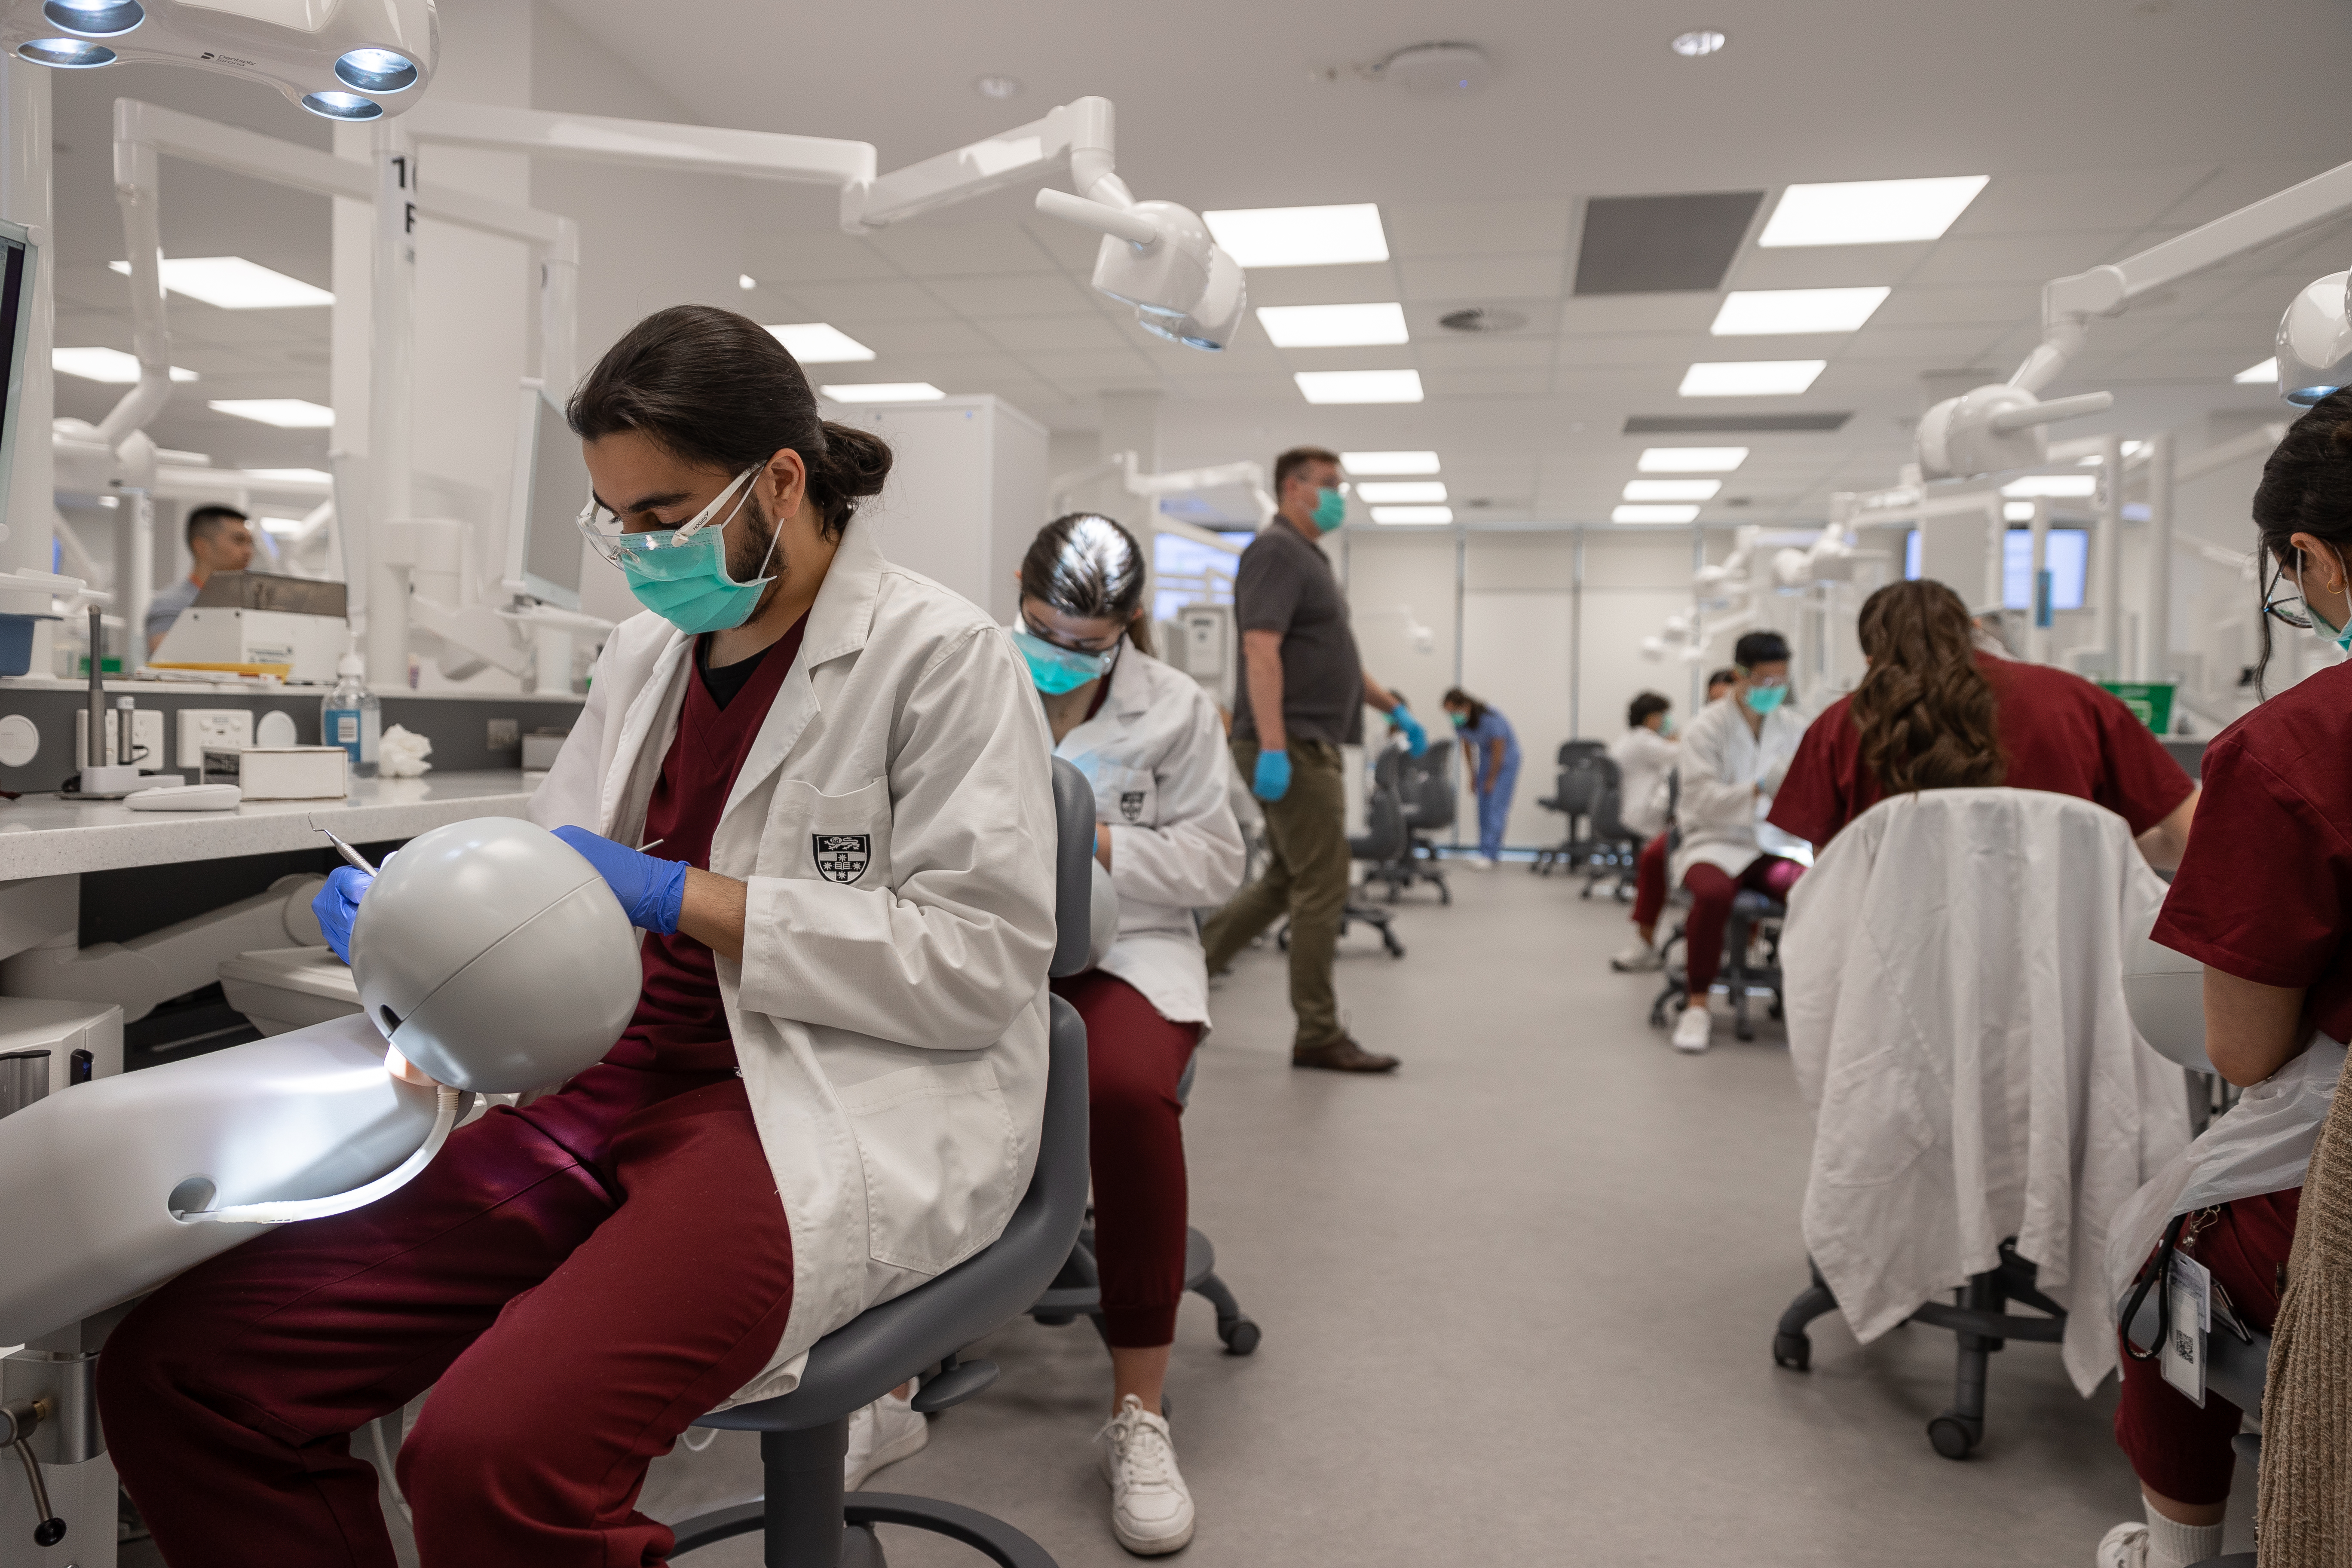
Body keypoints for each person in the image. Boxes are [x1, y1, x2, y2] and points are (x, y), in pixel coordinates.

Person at [96, 304, 1060, 1568]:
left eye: (666, 516)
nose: (638, 551)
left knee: (494, 1452)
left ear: (780, 479)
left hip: (813, 1102)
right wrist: (404, 924)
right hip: (598, 1082)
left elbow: (978, 963)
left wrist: (681, 897)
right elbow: (559, 880)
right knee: (187, 1371)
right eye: (619, 520)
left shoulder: (942, 660)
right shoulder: (648, 652)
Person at [2088, 392, 2352, 1568]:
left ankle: (2181, 1556)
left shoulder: (2297, 745)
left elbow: (2245, 1057)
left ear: (2311, 560)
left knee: (2163, 1276)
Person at [1000, 512, 1243, 1554]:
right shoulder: (964, 674)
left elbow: (1215, 865)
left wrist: (1090, 841)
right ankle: (890, 1378)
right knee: (901, 1071)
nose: (1059, 657)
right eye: (1044, 629)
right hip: (987, 944)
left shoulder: (1175, 711)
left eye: (1086, 643)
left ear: (1130, 625)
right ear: (1017, 592)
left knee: (1120, 1092)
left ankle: (1138, 1411)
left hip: (1127, 951)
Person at [1199, 445, 1426, 1074]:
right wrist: (1273, 746)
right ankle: (1318, 1033)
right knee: (1324, 885)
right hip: (1292, 744)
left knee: (1285, 881)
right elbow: (1260, 650)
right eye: (1329, 484)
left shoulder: (1308, 558)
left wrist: (1392, 707)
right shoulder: (1275, 551)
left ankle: (1180, 977)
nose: (1339, 495)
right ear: (1293, 488)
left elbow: (1341, 660)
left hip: (1304, 741)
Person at [1767, 578, 2197, 866]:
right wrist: (2095, 855)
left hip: (1898, 975)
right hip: (2059, 969)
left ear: (1870, 659)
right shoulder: (2078, 703)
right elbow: (2191, 837)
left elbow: (1830, 875)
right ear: (1974, 629)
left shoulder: (1838, 726)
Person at [1659, 632, 1810, 1053]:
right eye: (1765, 681)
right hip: (1715, 840)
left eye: (1781, 681)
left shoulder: (1796, 728)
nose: (1774, 690)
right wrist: (1759, 789)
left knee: (1812, 890)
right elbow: (1702, 801)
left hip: (1773, 845)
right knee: (1712, 895)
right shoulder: (1705, 728)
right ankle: (1697, 1004)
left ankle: (1808, 1001)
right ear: (1740, 675)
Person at [1612, 667, 1737, 974]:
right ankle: (1644, 944)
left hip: (1742, 827)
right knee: (1655, 855)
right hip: (1699, 823)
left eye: (1726, 700)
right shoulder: (1701, 732)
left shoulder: (1760, 734)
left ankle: (1738, 951)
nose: (1718, 708)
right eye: (1713, 700)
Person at [144, 503, 254, 652]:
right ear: (202, 546)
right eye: (239, 541)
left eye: (250, 543)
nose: (249, 551)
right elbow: (166, 655)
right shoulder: (171, 604)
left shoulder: (247, 603)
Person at [1442, 687, 1520, 868]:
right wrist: (1473, 775)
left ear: (1466, 706)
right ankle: (1484, 851)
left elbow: (1499, 750)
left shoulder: (1491, 718)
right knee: (1483, 804)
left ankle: (1490, 853)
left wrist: (1492, 778)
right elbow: (1467, 747)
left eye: (1454, 711)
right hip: (1487, 759)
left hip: (1506, 761)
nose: (1452, 716)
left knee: (1496, 804)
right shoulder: (1461, 723)